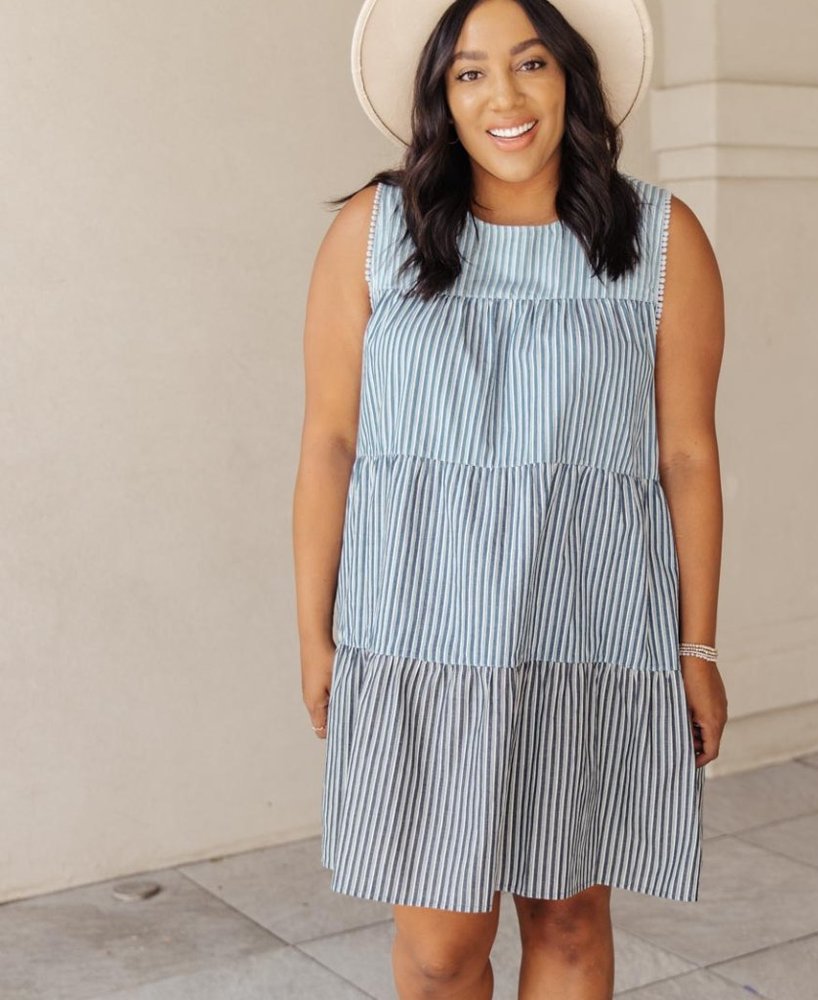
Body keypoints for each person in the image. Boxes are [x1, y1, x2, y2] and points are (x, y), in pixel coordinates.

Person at [291, 0, 727, 996]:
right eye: (470, 72)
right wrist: (315, 633)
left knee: (570, 918)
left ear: (571, 76)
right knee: (442, 950)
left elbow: (688, 458)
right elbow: (328, 445)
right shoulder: (374, 233)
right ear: (441, 96)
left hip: (590, 629)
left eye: (530, 62)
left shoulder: (661, 239)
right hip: (420, 635)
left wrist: (695, 648)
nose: (505, 97)